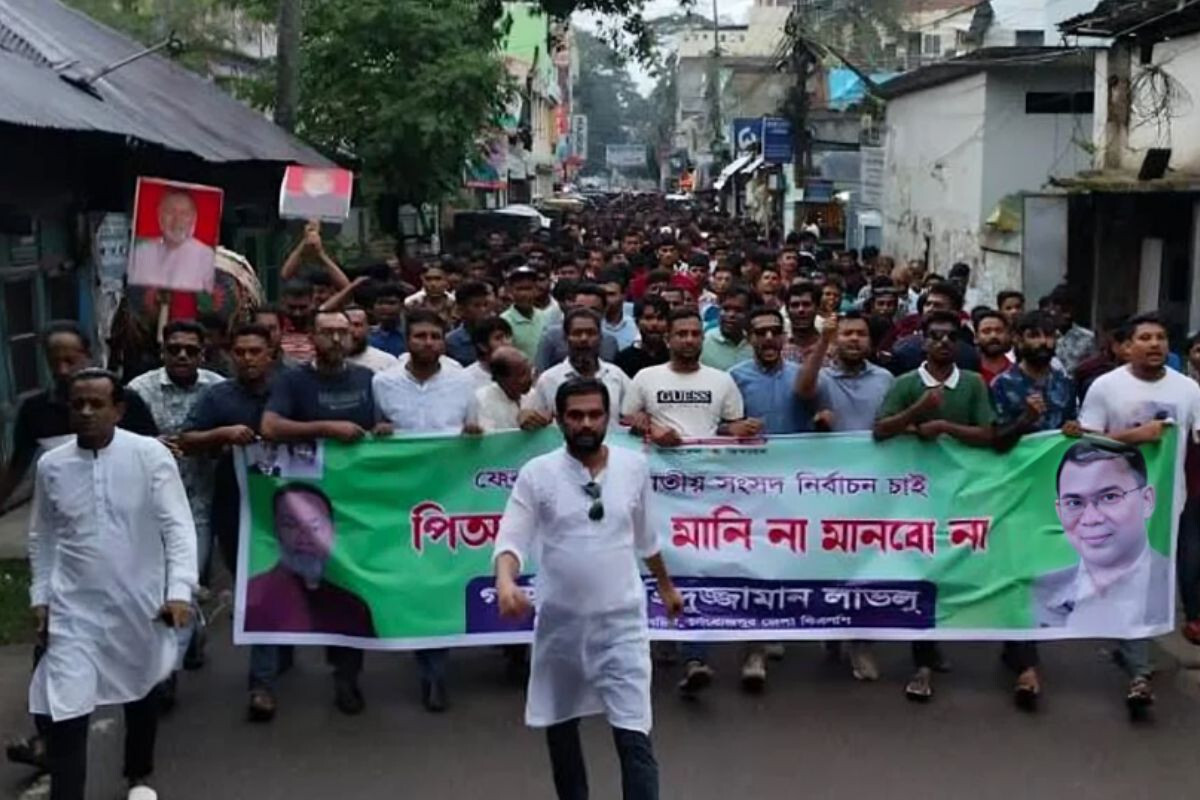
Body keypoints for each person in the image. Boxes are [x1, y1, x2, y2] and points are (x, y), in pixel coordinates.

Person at [494, 378, 683, 800]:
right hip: (561, 628)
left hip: (622, 626)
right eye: (575, 416)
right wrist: (506, 581)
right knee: (561, 733)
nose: (585, 424)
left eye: (595, 415)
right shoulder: (537, 474)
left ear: (608, 418)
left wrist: (667, 588)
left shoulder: (634, 468)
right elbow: (511, 538)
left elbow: (647, 538)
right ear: (559, 420)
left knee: (633, 735)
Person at [29, 368, 197, 800]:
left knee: (141, 693)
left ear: (118, 409)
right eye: (77, 403)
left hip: (139, 602)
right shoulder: (52, 465)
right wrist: (40, 597)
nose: (85, 412)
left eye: (96, 404)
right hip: (73, 609)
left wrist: (178, 591)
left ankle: (137, 774)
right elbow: (42, 536)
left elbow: (178, 527)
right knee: (66, 711)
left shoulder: (149, 455)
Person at [622, 308, 753, 696]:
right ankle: (648, 644)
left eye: (696, 333)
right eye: (681, 333)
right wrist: (651, 426)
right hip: (657, 489)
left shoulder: (721, 380)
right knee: (655, 563)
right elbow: (626, 419)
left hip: (707, 493)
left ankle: (696, 655)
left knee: (700, 569)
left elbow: (729, 426)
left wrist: (738, 430)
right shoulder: (646, 378)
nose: (689, 340)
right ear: (669, 338)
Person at [261, 309, 385, 717]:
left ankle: (346, 673)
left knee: (348, 584)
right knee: (294, 579)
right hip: (307, 502)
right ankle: (273, 663)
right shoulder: (292, 380)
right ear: (311, 337)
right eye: (327, 332)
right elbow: (271, 427)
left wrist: (383, 429)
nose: (335, 339)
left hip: (358, 503)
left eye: (342, 332)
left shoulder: (368, 380)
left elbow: (380, 426)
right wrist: (327, 430)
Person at [1076, 311, 1200, 716]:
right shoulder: (1105, 387)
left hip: (1169, 502)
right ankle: (1139, 671)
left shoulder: (1188, 390)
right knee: (1128, 578)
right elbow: (1084, 440)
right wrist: (1136, 435)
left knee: (1151, 582)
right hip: (1114, 503)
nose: (1154, 344)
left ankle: (1134, 657)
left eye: (1161, 337)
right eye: (1145, 337)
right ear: (1125, 346)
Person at [875, 310, 994, 703]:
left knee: (949, 570)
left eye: (950, 337)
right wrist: (917, 412)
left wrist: (943, 427)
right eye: (935, 336)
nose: (943, 342)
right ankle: (922, 661)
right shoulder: (906, 383)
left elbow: (986, 433)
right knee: (922, 572)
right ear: (922, 342)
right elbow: (881, 429)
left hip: (961, 492)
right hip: (914, 495)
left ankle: (937, 640)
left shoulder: (974, 384)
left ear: (958, 344)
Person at [371, 309, 479, 713]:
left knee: (442, 580)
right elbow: (372, 433)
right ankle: (425, 662)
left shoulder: (462, 381)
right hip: (403, 501)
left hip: (452, 503)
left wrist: (474, 434)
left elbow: (477, 434)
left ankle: (435, 672)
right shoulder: (382, 383)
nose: (429, 342)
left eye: (436, 336)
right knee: (414, 580)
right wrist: (379, 432)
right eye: (420, 336)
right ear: (407, 339)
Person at [178, 324, 282, 721]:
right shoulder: (217, 396)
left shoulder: (288, 390)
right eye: (240, 352)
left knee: (275, 587)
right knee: (253, 587)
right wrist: (220, 434)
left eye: (255, 351)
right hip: (235, 506)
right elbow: (186, 439)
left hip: (290, 507)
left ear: (270, 353)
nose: (248, 358)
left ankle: (267, 676)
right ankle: (264, 676)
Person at [986, 311, 1080, 709]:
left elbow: (1070, 429)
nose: (1043, 342)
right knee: (1018, 573)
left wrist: (1073, 429)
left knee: (1043, 574)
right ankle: (1027, 664)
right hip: (1014, 495)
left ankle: (1017, 646)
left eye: (1049, 335)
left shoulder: (1064, 381)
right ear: (1018, 339)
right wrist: (1026, 419)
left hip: (1055, 492)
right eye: (1034, 335)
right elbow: (995, 442)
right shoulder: (1003, 385)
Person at [795, 310, 894, 682]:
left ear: (870, 341)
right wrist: (823, 341)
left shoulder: (885, 378)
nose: (854, 339)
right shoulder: (821, 376)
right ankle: (832, 630)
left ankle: (861, 641)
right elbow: (802, 391)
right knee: (829, 562)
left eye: (861, 334)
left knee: (868, 566)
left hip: (874, 487)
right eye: (847, 334)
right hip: (828, 489)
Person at [127, 320, 222, 697]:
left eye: (191, 349)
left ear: (203, 353)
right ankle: (178, 651)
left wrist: (208, 442)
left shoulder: (217, 389)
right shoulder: (138, 390)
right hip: (146, 508)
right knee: (154, 587)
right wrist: (152, 446)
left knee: (183, 583)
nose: (182, 355)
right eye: (174, 348)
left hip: (199, 504)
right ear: (163, 351)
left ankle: (166, 671)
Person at [1038, 441, 1170, 629]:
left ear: (1147, 500)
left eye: (1109, 497)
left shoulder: (1171, 583)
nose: (1091, 519)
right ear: (1059, 512)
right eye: (1074, 503)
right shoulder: (1042, 592)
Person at [244, 485, 376, 636]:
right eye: (291, 525)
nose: (305, 538)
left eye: (315, 527)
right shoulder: (253, 597)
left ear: (332, 533)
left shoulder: (353, 607)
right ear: (275, 530)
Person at [527, 309, 632, 424]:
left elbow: (633, 414)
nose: (584, 339)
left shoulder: (616, 376)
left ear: (600, 337)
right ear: (565, 338)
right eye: (577, 333)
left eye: (591, 333)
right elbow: (533, 418)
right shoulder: (548, 380)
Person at [127, 190, 216, 292]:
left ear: (193, 219)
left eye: (184, 214)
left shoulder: (206, 256)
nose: (177, 220)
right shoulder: (141, 253)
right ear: (160, 217)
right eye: (170, 212)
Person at [535, 282, 619, 372]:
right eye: (580, 308)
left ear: (604, 311)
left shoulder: (610, 342)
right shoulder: (551, 337)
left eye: (593, 310)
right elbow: (540, 371)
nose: (586, 314)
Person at [475, 347, 537, 432]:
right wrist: (518, 427)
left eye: (529, 370)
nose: (529, 378)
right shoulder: (482, 401)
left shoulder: (534, 395)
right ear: (501, 379)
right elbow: (489, 439)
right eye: (522, 374)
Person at [615, 296, 671, 379]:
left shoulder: (674, 356)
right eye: (648, 318)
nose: (654, 324)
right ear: (637, 322)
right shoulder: (624, 359)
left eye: (660, 318)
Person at [501, 266, 550, 361]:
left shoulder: (545, 316)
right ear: (510, 291)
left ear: (536, 290)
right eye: (519, 289)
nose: (524, 294)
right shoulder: (504, 321)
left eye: (528, 289)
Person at [1047, 285, 1096, 375]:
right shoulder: (1044, 336)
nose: (1067, 315)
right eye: (1061, 310)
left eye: (1068, 309)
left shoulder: (1087, 337)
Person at [700, 288, 753, 371]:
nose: (731, 315)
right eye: (726, 309)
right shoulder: (704, 342)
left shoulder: (754, 344)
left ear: (748, 313)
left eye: (738, 310)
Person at [445, 281, 495, 366]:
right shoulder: (451, 342)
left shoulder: (498, 335)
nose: (483, 310)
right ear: (461, 309)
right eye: (477, 306)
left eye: (486, 305)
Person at [463, 317, 514, 390]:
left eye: (508, 337)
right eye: (498, 338)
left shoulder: (519, 371)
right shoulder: (467, 378)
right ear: (483, 346)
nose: (507, 342)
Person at [345, 305, 400, 373]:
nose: (351, 330)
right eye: (347, 325)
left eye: (357, 325)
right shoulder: (331, 363)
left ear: (368, 328)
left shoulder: (387, 362)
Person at [598, 269, 640, 351]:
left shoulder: (635, 318)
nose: (606, 299)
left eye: (611, 294)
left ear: (623, 295)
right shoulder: (591, 322)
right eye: (601, 294)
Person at [278, 280, 317, 365]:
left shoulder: (321, 328)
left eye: (303, 308)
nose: (297, 313)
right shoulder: (276, 326)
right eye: (292, 307)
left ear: (313, 303)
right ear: (282, 303)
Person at [781, 282, 821, 365]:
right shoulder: (779, 346)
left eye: (806, 304)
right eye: (795, 305)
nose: (801, 310)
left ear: (817, 308)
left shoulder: (828, 346)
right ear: (787, 310)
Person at [975, 310, 1014, 385]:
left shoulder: (1017, 372)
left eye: (999, 331)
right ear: (976, 338)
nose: (993, 336)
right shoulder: (969, 371)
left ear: (1008, 335)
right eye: (986, 331)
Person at [368, 283, 408, 357]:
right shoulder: (367, 335)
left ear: (402, 306)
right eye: (380, 303)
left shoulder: (410, 335)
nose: (385, 307)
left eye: (391, 303)